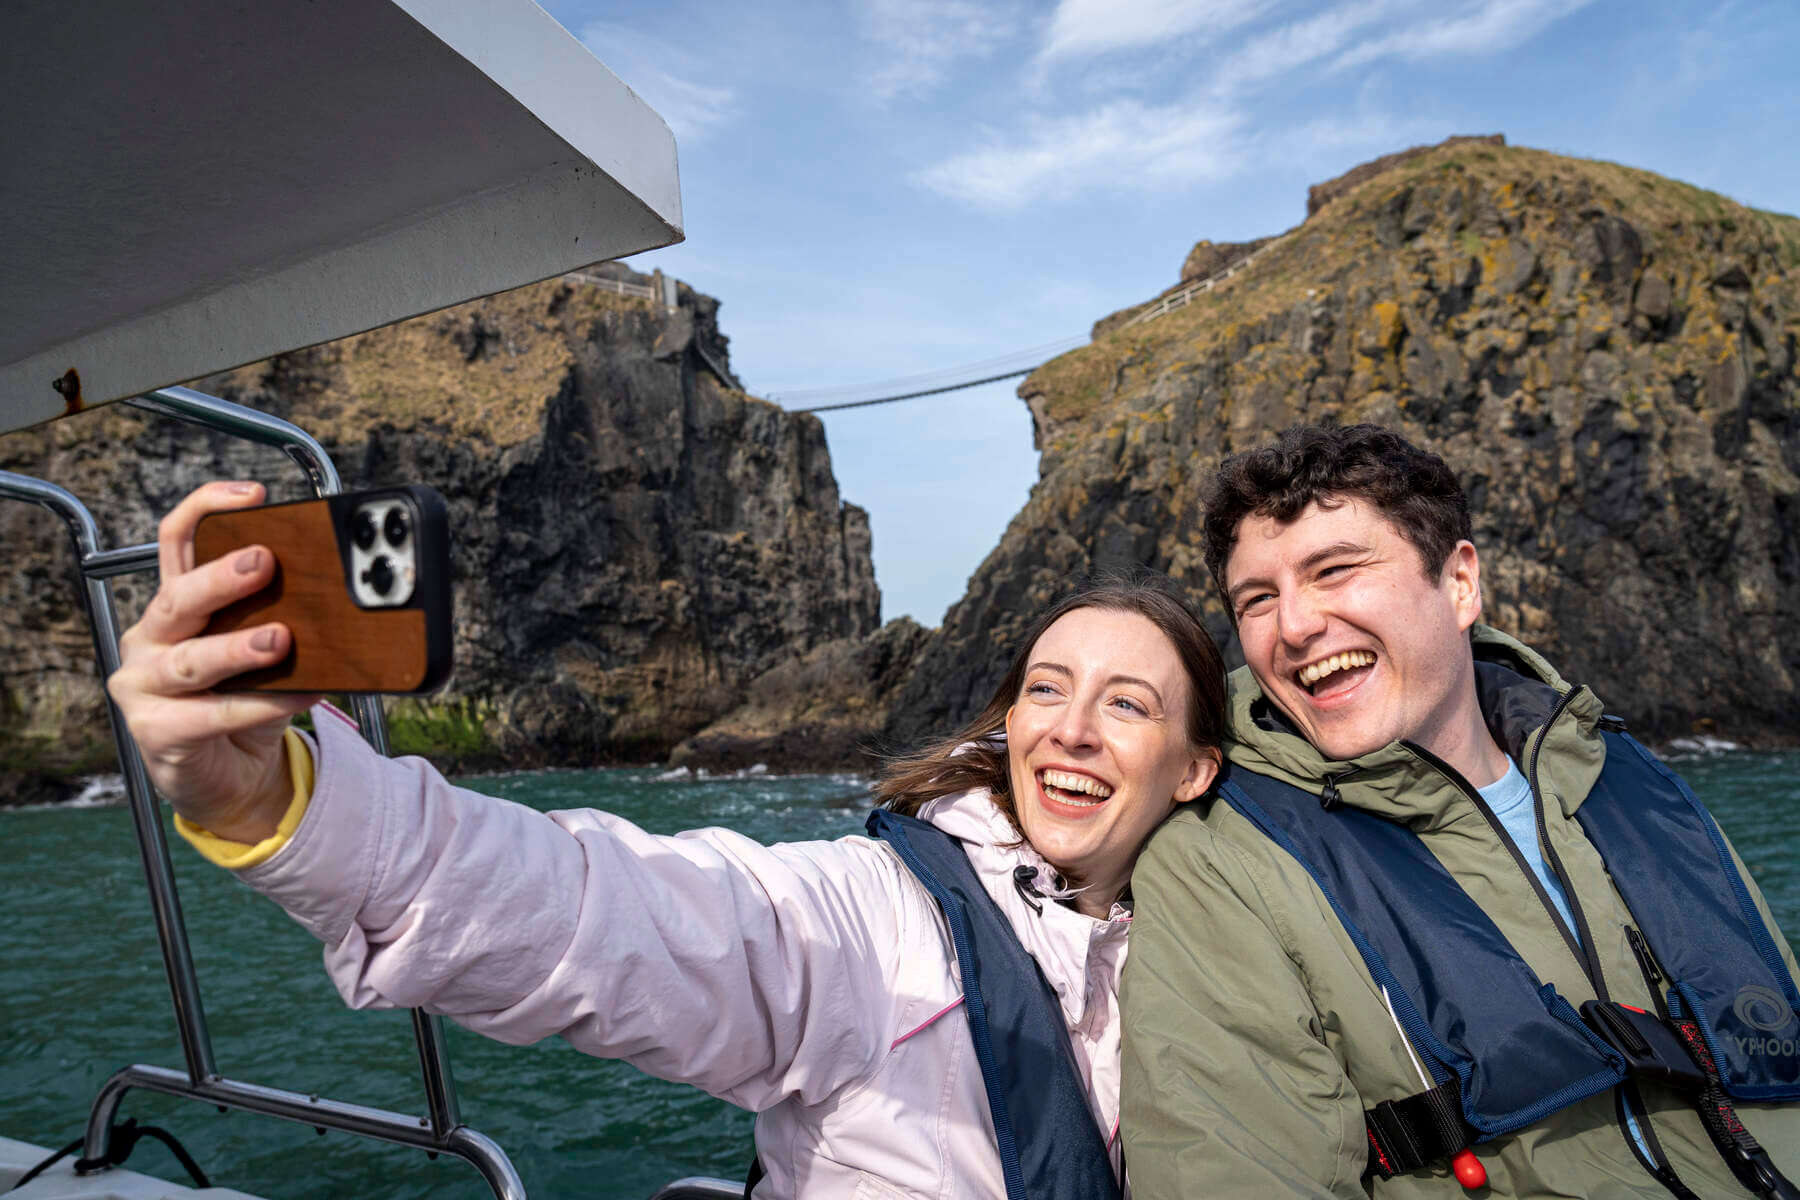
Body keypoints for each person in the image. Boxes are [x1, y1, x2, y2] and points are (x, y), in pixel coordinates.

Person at [108, 481, 1227, 1200]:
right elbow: (607, 914)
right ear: (1008, 719)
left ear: (1195, 767)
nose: (1071, 726)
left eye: (1127, 704)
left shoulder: (1235, 953)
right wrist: (291, 811)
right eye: (1045, 688)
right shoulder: (875, 918)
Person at [1120, 424, 1800, 1198]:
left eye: (1334, 570)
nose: (1296, 625)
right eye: (1257, 600)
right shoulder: (1220, 860)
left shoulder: (1626, 775)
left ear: (1459, 584)